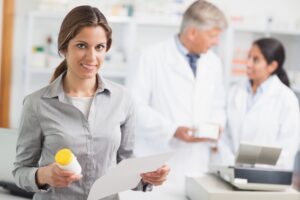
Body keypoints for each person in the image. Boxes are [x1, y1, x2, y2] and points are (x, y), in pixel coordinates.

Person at [13, 5, 169, 200]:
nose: (91, 57)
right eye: (81, 45)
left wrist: (147, 177)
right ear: (64, 48)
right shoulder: (37, 104)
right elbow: (20, 172)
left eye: (99, 47)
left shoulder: (123, 99)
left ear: (106, 49)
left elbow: (125, 165)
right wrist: (43, 175)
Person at [126, 0, 227, 189]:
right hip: (157, 163)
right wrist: (172, 130)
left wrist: (217, 125)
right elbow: (133, 107)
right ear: (192, 32)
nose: (216, 42)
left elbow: (218, 104)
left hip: (197, 165)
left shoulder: (213, 62)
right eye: (213, 36)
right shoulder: (149, 57)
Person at [219, 38, 300, 169]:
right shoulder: (235, 91)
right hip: (233, 172)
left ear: (272, 66)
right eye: (249, 57)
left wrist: (256, 168)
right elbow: (224, 134)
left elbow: (288, 146)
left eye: (255, 59)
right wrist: (231, 162)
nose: (248, 63)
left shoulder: (287, 99)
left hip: (268, 178)